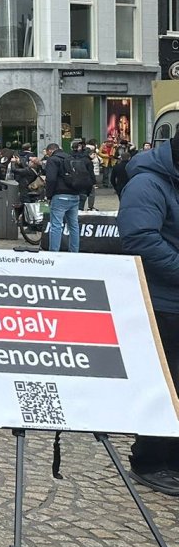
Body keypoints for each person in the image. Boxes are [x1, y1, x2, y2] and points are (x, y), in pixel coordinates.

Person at [117, 140, 179, 496]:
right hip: (164, 303)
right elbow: (140, 238)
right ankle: (151, 461)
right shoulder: (147, 182)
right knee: (167, 385)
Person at [44, 141, 91, 253]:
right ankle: (74, 251)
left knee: (56, 225)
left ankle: (54, 253)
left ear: (50, 150)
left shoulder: (53, 160)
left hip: (59, 196)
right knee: (74, 225)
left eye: (47, 153)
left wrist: (48, 195)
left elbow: (51, 179)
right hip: (75, 195)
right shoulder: (71, 158)